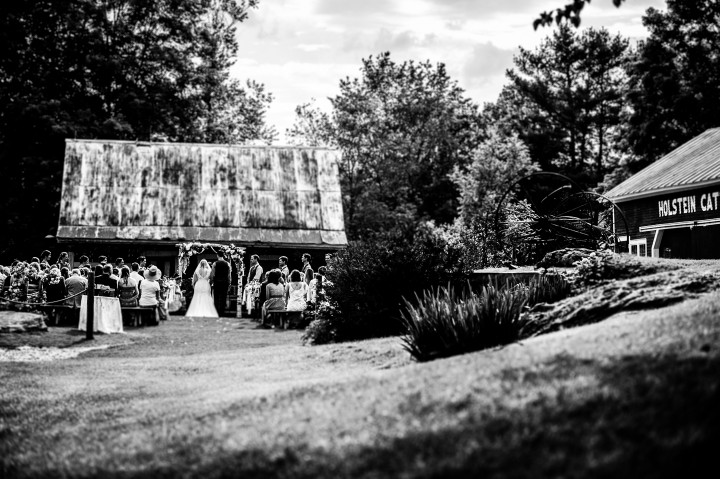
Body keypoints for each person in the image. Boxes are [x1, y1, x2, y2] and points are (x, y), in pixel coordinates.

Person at [210, 252, 232, 316]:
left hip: (217, 282)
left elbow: (212, 274)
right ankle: (222, 312)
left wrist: (211, 281)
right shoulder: (228, 264)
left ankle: (216, 311)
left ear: (217, 255)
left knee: (216, 297)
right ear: (224, 256)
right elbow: (229, 275)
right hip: (225, 283)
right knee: (223, 297)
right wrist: (229, 283)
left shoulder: (215, 263)